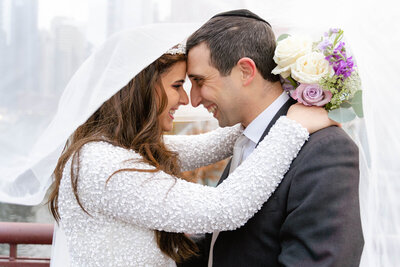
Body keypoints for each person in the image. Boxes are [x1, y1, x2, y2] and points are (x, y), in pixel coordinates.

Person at [45, 23, 335, 266]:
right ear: (140, 90)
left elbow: (209, 145)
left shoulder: (113, 149)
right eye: (177, 86)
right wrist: (292, 127)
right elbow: (224, 208)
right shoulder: (104, 165)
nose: (186, 100)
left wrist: (266, 112)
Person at [180, 9, 364, 267]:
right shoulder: (245, 135)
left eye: (199, 81)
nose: (195, 99)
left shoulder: (326, 150)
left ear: (245, 71)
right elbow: (226, 244)